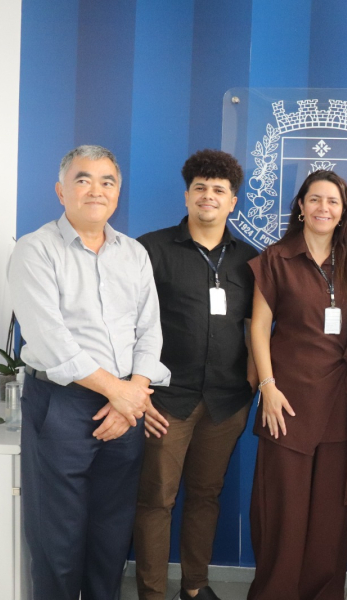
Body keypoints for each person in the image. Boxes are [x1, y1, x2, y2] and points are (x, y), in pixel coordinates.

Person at [7, 145, 170, 599]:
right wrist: (121, 393)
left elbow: (150, 331)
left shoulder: (133, 253)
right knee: (57, 542)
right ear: (61, 191)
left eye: (107, 181)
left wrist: (132, 392)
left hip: (125, 409)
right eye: (83, 180)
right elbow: (50, 340)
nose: (96, 190)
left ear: (117, 193)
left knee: (111, 538)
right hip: (61, 406)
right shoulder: (35, 249)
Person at [133, 149, 259, 600]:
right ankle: (152, 593)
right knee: (157, 500)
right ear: (187, 196)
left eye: (219, 190)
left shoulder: (250, 259)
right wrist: (139, 393)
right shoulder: (150, 250)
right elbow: (128, 324)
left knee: (206, 496)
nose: (209, 196)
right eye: (200, 188)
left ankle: (194, 587)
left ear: (233, 202)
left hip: (226, 403)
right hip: (166, 401)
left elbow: (255, 328)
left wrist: (251, 387)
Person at [247, 170, 347, 600]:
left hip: (340, 397)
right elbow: (259, 328)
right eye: (315, 199)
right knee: (284, 509)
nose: (324, 208)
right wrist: (267, 388)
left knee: (328, 513)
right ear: (300, 206)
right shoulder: (276, 258)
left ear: (343, 212)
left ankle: (322, 593)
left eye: (333, 201)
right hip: (287, 401)